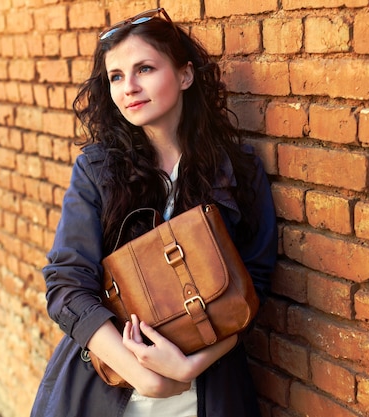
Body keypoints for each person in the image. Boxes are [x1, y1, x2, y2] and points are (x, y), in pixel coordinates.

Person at [30, 8, 277, 417]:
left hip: (208, 392)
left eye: (144, 68)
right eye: (116, 76)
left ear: (185, 75)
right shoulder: (97, 170)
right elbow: (66, 286)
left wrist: (190, 365)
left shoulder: (239, 169)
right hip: (104, 393)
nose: (129, 87)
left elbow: (255, 283)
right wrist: (145, 376)